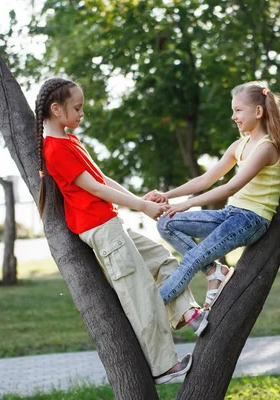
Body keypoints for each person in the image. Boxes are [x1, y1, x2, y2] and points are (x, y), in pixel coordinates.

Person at [35, 77, 207, 385]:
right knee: (140, 295)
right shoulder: (54, 150)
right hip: (100, 230)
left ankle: (186, 313)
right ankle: (164, 366)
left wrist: (140, 201)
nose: (81, 114)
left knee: (162, 259)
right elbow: (94, 189)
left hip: (111, 224)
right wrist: (141, 208)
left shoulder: (70, 141)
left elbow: (102, 179)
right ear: (56, 109)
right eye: (77, 108)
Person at [148, 81, 280, 309]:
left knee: (191, 259)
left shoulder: (267, 148)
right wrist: (167, 195)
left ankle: (151, 307)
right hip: (231, 214)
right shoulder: (240, 145)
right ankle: (214, 271)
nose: (233, 116)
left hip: (251, 220)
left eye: (238, 110)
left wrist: (187, 204)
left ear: (258, 111)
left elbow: (230, 187)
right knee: (166, 223)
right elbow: (205, 179)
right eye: (233, 111)